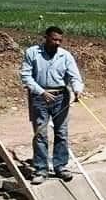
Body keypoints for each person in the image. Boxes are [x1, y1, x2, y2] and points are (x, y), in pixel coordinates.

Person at [19, 26, 85, 184]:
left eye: (60, 40)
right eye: (54, 39)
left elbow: (75, 76)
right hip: (39, 97)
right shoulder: (32, 53)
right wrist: (41, 92)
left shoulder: (65, 56)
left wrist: (77, 89)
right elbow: (26, 75)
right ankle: (41, 169)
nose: (57, 43)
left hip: (61, 97)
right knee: (40, 134)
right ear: (46, 37)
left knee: (61, 132)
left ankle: (60, 166)